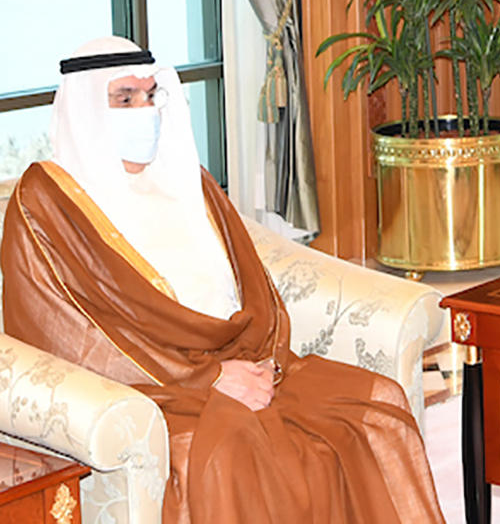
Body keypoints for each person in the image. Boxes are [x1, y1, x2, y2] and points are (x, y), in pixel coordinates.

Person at [2, 37, 446, 524]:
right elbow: (74, 338)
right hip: (156, 392)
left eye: (150, 96)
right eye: (124, 98)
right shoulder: (46, 203)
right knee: (232, 456)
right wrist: (208, 379)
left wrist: (255, 363)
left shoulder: (184, 178)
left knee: (379, 402)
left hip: (247, 360)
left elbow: (251, 283)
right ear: (85, 108)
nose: (144, 112)